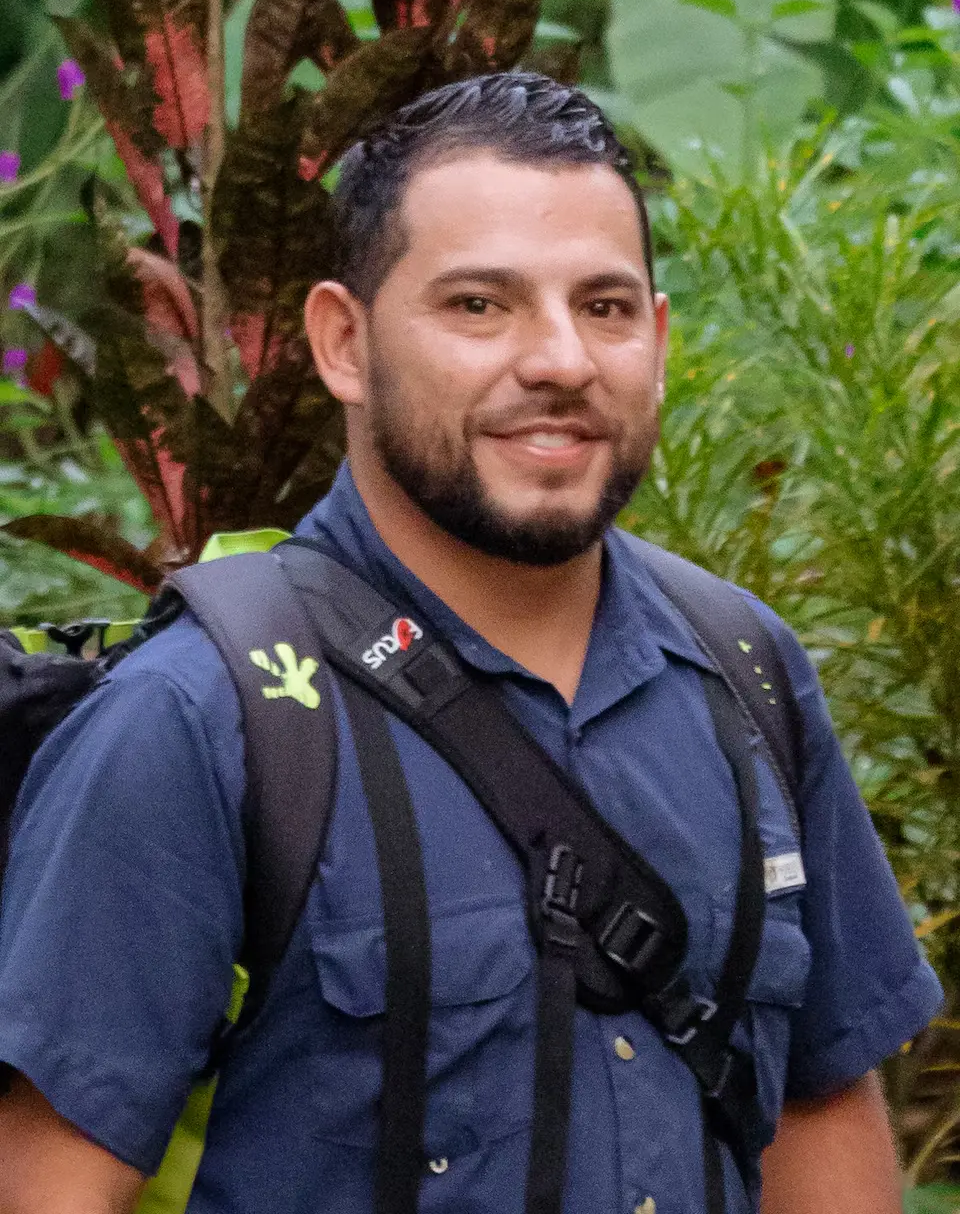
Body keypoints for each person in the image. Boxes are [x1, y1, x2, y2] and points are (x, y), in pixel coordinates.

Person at [0, 73, 942, 1214]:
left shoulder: (744, 671)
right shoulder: (204, 719)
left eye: (603, 307)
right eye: (479, 306)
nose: (559, 361)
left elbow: (815, 1101)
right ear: (344, 344)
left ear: (657, 335)